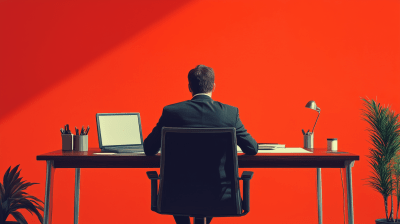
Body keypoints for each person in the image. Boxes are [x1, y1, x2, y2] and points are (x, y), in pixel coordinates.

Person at [144, 64, 258, 224]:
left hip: (177, 196)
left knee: (184, 196)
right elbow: (252, 148)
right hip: (218, 195)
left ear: (190, 86)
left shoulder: (172, 112)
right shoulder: (230, 114)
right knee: (206, 198)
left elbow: (149, 149)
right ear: (213, 86)